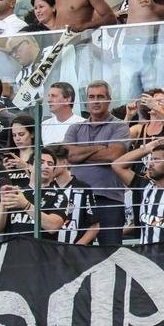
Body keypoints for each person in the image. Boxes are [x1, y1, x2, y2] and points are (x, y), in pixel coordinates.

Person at [64, 81, 131, 246]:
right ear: (86, 101)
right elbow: (69, 156)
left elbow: (113, 155)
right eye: (91, 97)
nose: (96, 101)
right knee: (76, 250)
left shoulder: (119, 126)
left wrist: (82, 153)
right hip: (77, 198)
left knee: (110, 252)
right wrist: (100, 147)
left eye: (100, 96)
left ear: (109, 100)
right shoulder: (74, 128)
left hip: (108, 199)